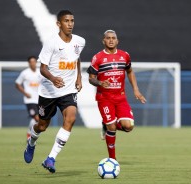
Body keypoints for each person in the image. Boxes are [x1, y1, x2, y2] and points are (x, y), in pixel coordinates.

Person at [23, 10, 85, 173]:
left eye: (72, 20)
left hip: (68, 90)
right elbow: (42, 68)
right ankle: (31, 143)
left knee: (70, 118)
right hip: (48, 92)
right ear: (59, 24)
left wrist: (79, 77)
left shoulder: (80, 41)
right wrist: (53, 79)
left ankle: (50, 158)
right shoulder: (51, 43)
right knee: (42, 126)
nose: (70, 24)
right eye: (66, 21)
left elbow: (77, 57)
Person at [87, 30, 146, 160]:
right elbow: (91, 78)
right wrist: (100, 82)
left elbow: (130, 71)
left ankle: (106, 125)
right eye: (108, 38)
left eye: (113, 38)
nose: (111, 40)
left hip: (120, 98)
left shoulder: (124, 56)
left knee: (128, 126)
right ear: (104, 41)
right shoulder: (98, 58)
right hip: (104, 98)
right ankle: (112, 160)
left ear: (117, 41)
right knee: (112, 127)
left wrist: (136, 90)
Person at [15, 56, 40, 140]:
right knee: (37, 118)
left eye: (34, 61)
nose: (33, 63)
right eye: (31, 62)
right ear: (29, 63)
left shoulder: (40, 72)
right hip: (30, 100)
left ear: (36, 62)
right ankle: (30, 134)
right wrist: (25, 93)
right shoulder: (25, 73)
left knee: (38, 120)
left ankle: (29, 133)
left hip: (39, 99)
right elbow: (17, 84)